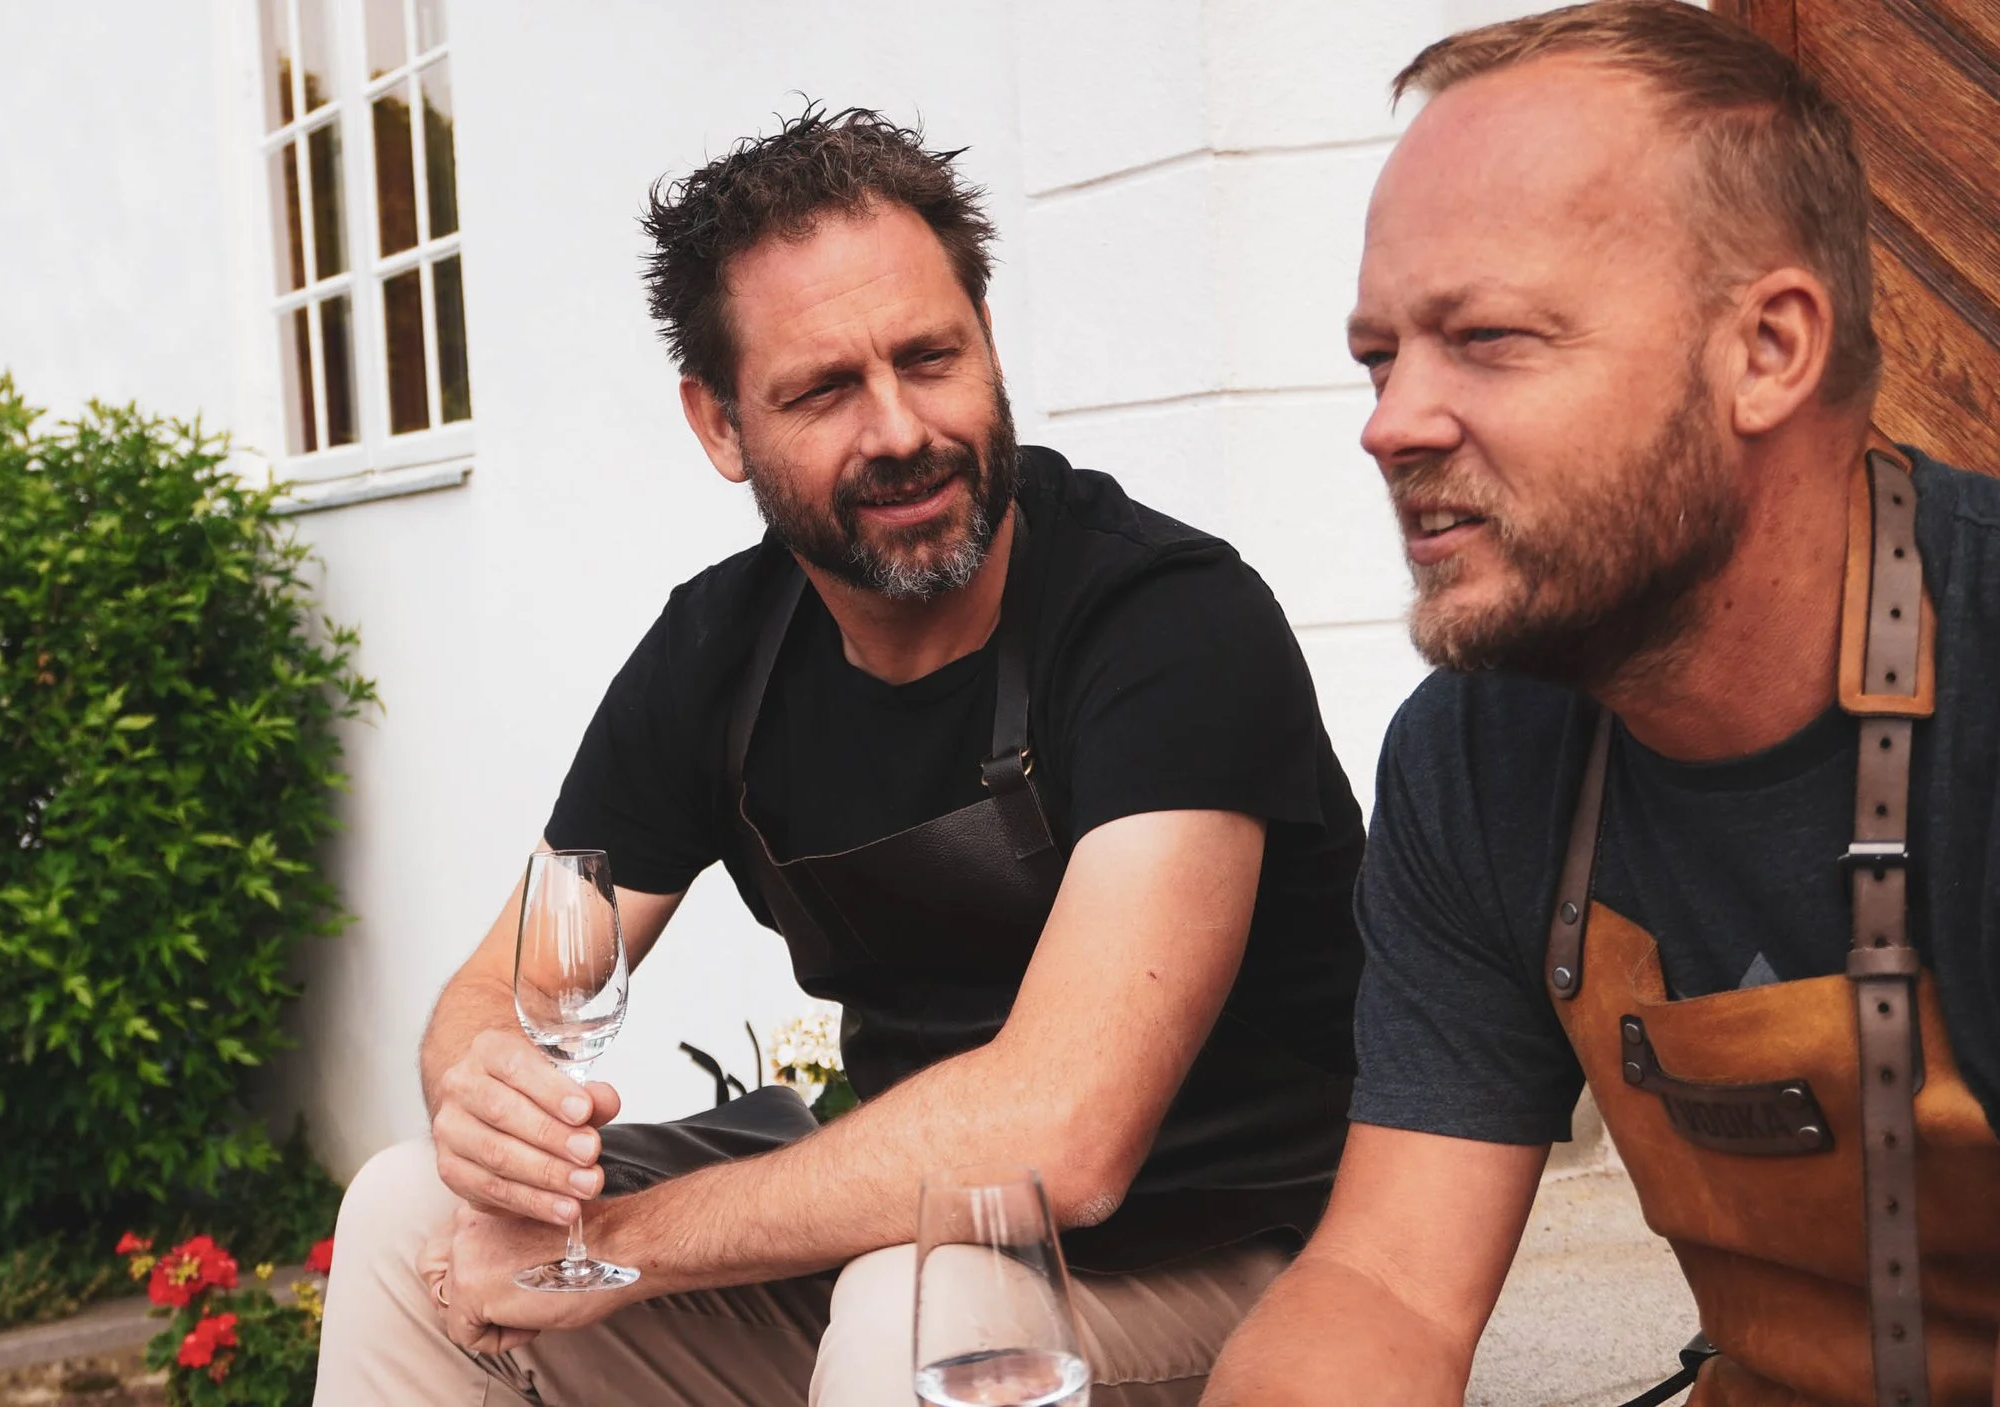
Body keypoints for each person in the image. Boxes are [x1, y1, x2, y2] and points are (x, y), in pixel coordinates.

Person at [312, 108, 1368, 1405]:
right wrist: (483, 1096)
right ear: (718, 424)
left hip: (1242, 1259)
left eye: (932, 358)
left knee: (918, 1316)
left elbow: (1067, 1135)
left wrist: (615, 1243)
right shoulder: (720, 653)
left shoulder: (1167, 623)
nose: (900, 430)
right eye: (823, 389)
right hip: (920, 1235)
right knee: (407, 1210)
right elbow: (512, 986)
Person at [1200, 5, 2000, 1406]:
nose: (1389, 421)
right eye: (1381, 354)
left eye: (1489, 337)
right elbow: (1383, 1280)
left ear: (1768, 348)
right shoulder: (1477, 749)